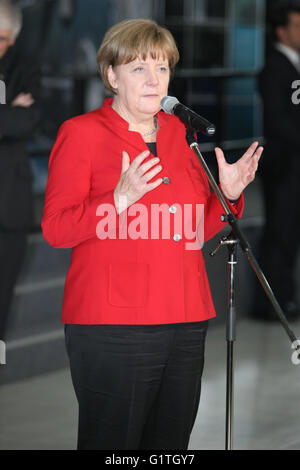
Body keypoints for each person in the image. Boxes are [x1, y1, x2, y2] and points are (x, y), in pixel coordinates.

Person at [42, 19, 262, 450]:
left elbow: (194, 232)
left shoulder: (184, 135)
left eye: (161, 68)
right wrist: (117, 200)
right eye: (138, 67)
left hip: (185, 319)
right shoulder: (81, 134)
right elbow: (56, 229)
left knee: (170, 446)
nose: (153, 79)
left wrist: (229, 195)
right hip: (113, 325)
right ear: (111, 75)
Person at [255, 2, 300, 321]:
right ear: (281, 31)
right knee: (280, 233)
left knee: (291, 234)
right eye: (297, 26)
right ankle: (273, 305)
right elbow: (278, 122)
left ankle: (286, 298)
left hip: (295, 163)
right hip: (284, 165)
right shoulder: (275, 68)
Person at [0, 0, 41, 340]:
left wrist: (13, 115)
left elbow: (27, 122)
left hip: (8, 209)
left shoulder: (25, 68)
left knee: (1, 307)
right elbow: (12, 121)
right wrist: (7, 113)